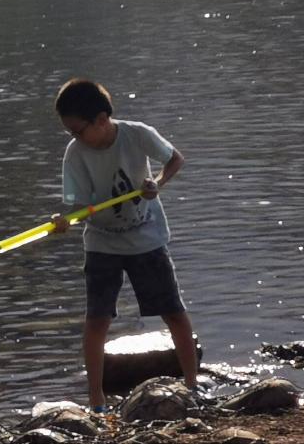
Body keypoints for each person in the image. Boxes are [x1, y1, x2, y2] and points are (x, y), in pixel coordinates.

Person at [49, 78, 198, 412]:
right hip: (102, 245)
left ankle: (192, 385)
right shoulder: (75, 153)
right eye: (69, 132)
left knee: (173, 311)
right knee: (97, 320)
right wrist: (64, 221)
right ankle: (95, 399)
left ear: (101, 120)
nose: (74, 137)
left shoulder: (136, 134)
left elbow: (175, 159)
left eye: (77, 130)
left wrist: (156, 183)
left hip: (146, 238)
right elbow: (75, 206)